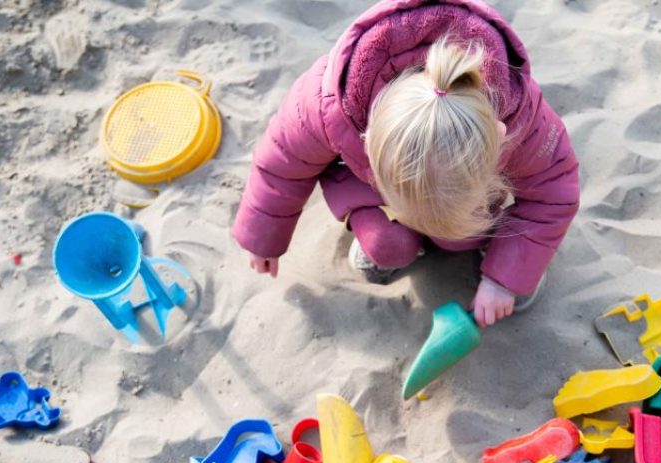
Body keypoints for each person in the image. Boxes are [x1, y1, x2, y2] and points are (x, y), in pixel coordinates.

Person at [232, 0, 579, 327]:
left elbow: (553, 195)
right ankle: (396, 228)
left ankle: (486, 248)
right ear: (369, 140)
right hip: (366, 181)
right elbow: (281, 162)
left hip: (458, 192)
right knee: (388, 245)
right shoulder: (328, 104)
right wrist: (263, 237)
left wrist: (504, 280)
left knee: (466, 236)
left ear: (500, 136)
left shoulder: (524, 123)